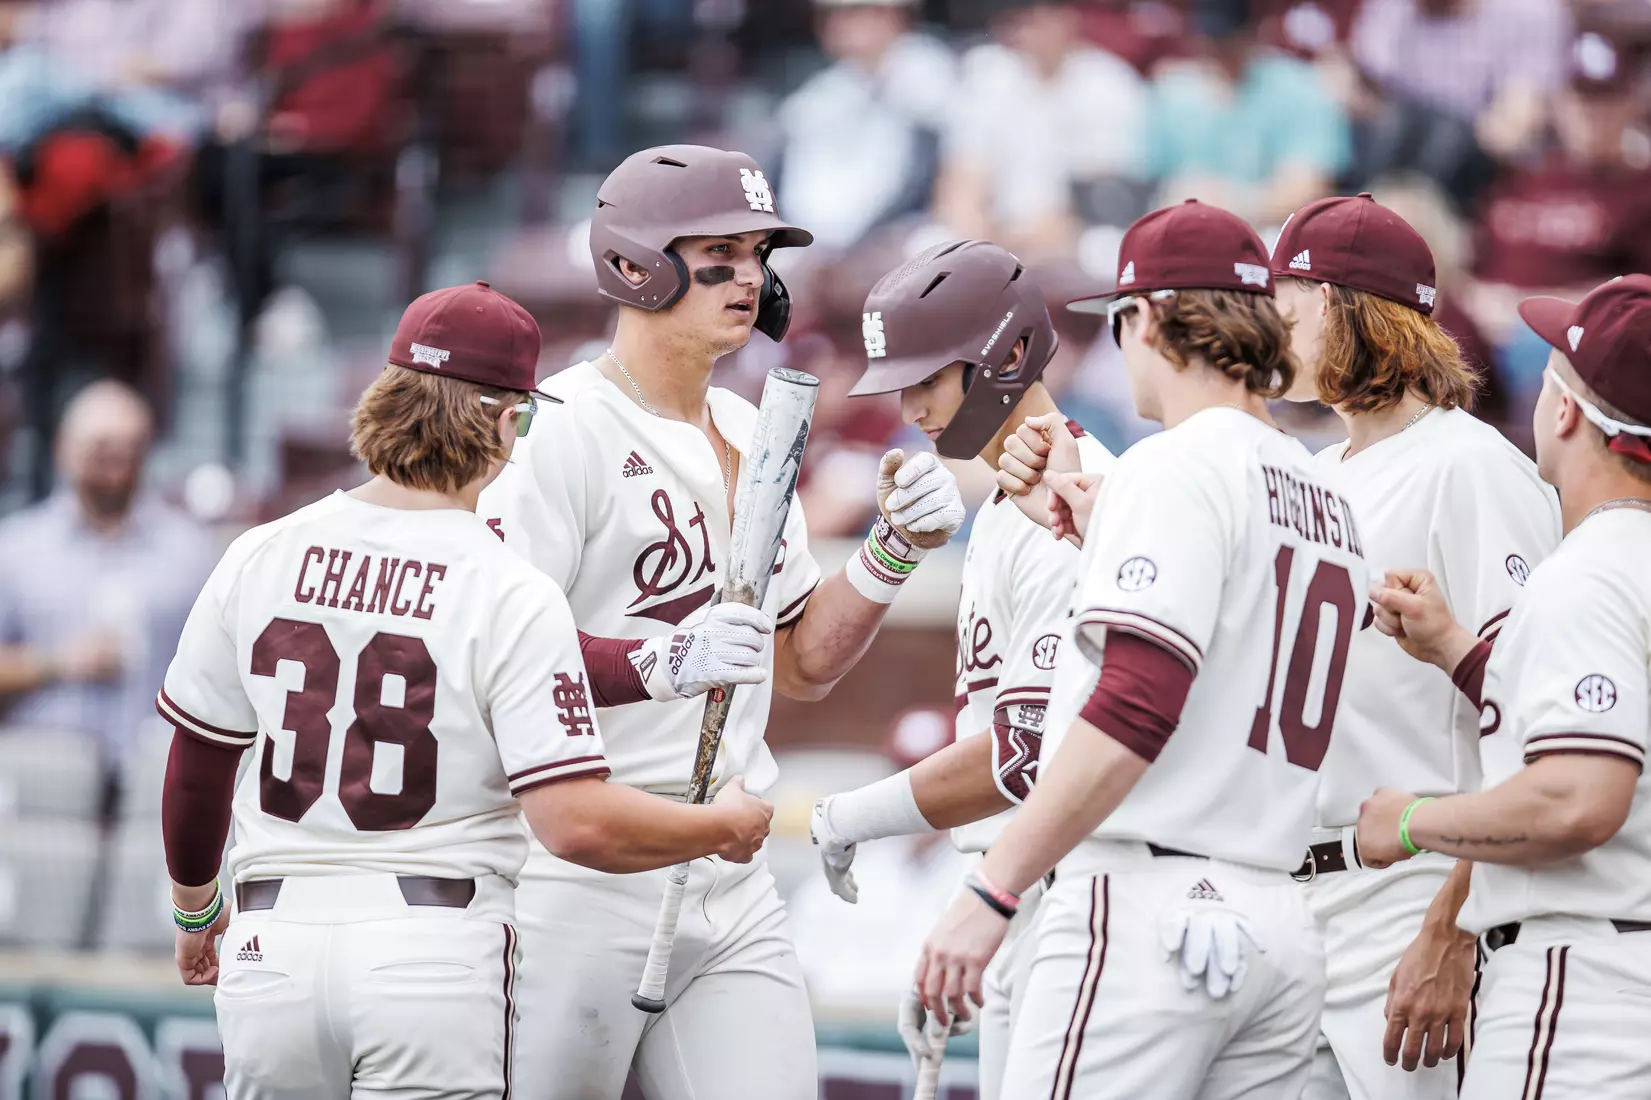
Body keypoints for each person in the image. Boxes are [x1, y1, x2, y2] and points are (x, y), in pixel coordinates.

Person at [157, 281, 775, 1100]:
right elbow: (576, 822)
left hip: (272, 946)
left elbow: (198, 765)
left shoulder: (262, 550)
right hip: (433, 949)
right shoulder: (506, 586)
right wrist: (717, 826)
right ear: (504, 422)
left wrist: (197, 916)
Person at [478, 144, 967, 1100]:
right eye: (723, 253)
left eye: (759, 256)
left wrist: (888, 552)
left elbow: (801, 666)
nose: (751, 278)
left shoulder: (753, 428)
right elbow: (494, 658)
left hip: (726, 866)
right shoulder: (559, 427)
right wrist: (662, 661)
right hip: (582, 866)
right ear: (635, 263)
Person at [915, 199, 1369, 1099]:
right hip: (1279, 914)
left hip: (1146, 906)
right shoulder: (1326, 492)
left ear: (1150, 316)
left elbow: (1136, 699)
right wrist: (1103, 540)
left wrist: (994, 887)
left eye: (1118, 321)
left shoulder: (1172, 463)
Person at [1268, 194, 1562, 1099]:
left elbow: (1532, 729)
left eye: (1287, 303)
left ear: (1345, 307)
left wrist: (1452, 926)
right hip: (1296, 901)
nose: (1270, 325)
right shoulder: (1308, 475)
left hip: (1411, 898)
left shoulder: (1470, 467)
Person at [808, 237, 1114, 1099]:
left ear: (1009, 355)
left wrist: (850, 816)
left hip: (1069, 895)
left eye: (926, 380)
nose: (908, 409)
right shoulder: (1018, 507)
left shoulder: (1072, 502)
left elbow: (1023, 754)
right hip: (1029, 889)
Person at [1355, 274, 1651, 1100]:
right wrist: (1456, 648)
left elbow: (1575, 800)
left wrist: (1413, 822)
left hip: (1587, 987)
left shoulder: (1589, 574)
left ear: (1565, 412)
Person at [0, 379, 213, 774]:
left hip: (153, 778)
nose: (116, 466)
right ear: (63, 447)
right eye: (101, 449)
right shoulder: (15, 549)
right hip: (42, 777)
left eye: (131, 449)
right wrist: (56, 663)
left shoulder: (190, 551)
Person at [776, 0, 957, 250]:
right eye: (828, 15)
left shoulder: (934, 74)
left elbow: (932, 181)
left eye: (852, 12)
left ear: (894, 15)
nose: (836, 24)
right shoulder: (825, 88)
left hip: (905, 232)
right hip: (820, 245)